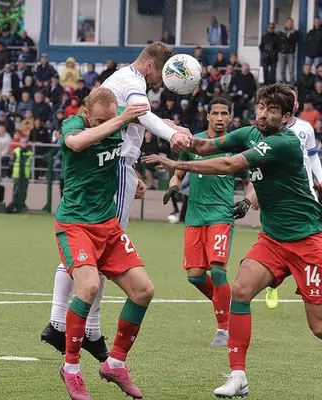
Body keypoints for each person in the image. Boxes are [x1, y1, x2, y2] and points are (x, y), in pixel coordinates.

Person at [143, 83, 322, 400]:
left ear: (286, 117)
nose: (264, 114)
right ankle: (238, 375)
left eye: (273, 110)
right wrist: (178, 137)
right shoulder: (248, 133)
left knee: (321, 327)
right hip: (273, 240)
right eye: (261, 107)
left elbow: (230, 164)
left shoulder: (285, 142)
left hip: (307, 242)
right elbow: (208, 146)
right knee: (240, 290)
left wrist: (179, 164)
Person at [41, 42, 192, 367]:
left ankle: (60, 323)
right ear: (150, 66)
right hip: (114, 164)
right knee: (101, 247)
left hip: (113, 164)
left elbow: (134, 118)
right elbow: (139, 114)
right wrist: (171, 135)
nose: (159, 83)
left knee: (87, 247)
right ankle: (83, 330)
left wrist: (166, 128)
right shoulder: (134, 82)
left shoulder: (119, 80)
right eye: (160, 76)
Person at [55, 87, 151, 400]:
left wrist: (174, 131)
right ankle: (71, 368)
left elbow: (144, 125)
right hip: (75, 224)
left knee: (143, 291)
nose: (105, 125)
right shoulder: (73, 124)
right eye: (99, 121)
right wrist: (118, 121)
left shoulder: (116, 119)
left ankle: (115, 364)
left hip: (107, 225)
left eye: (109, 119)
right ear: (87, 114)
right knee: (89, 287)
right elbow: (77, 143)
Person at [162, 98, 256, 348]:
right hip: (195, 216)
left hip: (221, 216)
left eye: (225, 113)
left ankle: (223, 329)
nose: (220, 118)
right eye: (215, 113)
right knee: (195, 277)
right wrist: (173, 186)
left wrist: (247, 202)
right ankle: (225, 303)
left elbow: (250, 184)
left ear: (230, 117)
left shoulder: (236, 148)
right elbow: (177, 173)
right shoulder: (194, 143)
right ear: (208, 116)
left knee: (217, 270)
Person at [264, 86, 322, 309]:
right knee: (276, 238)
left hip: (306, 192)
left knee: (319, 237)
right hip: (279, 194)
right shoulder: (268, 127)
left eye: (295, 99)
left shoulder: (305, 128)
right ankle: (271, 284)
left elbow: (313, 156)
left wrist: (321, 181)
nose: (293, 103)